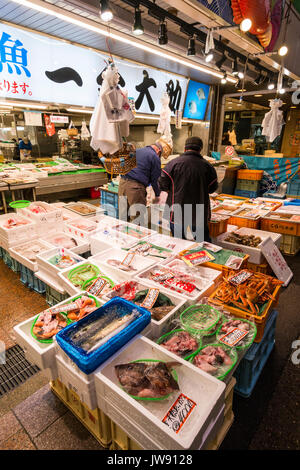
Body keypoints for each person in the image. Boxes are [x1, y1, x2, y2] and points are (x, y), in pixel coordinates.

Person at [158, 136, 218, 242]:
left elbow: (162, 184)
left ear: (185, 148)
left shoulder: (172, 164)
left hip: (176, 213)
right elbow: (212, 188)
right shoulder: (208, 166)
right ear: (200, 149)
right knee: (202, 244)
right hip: (199, 214)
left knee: (179, 244)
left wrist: (173, 190)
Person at [118, 137, 172, 222]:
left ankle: (123, 234)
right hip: (135, 188)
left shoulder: (137, 151)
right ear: (158, 151)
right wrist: (158, 195)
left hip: (122, 184)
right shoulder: (154, 156)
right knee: (137, 219)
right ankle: (135, 235)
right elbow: (156, 179)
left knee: (123, 217)